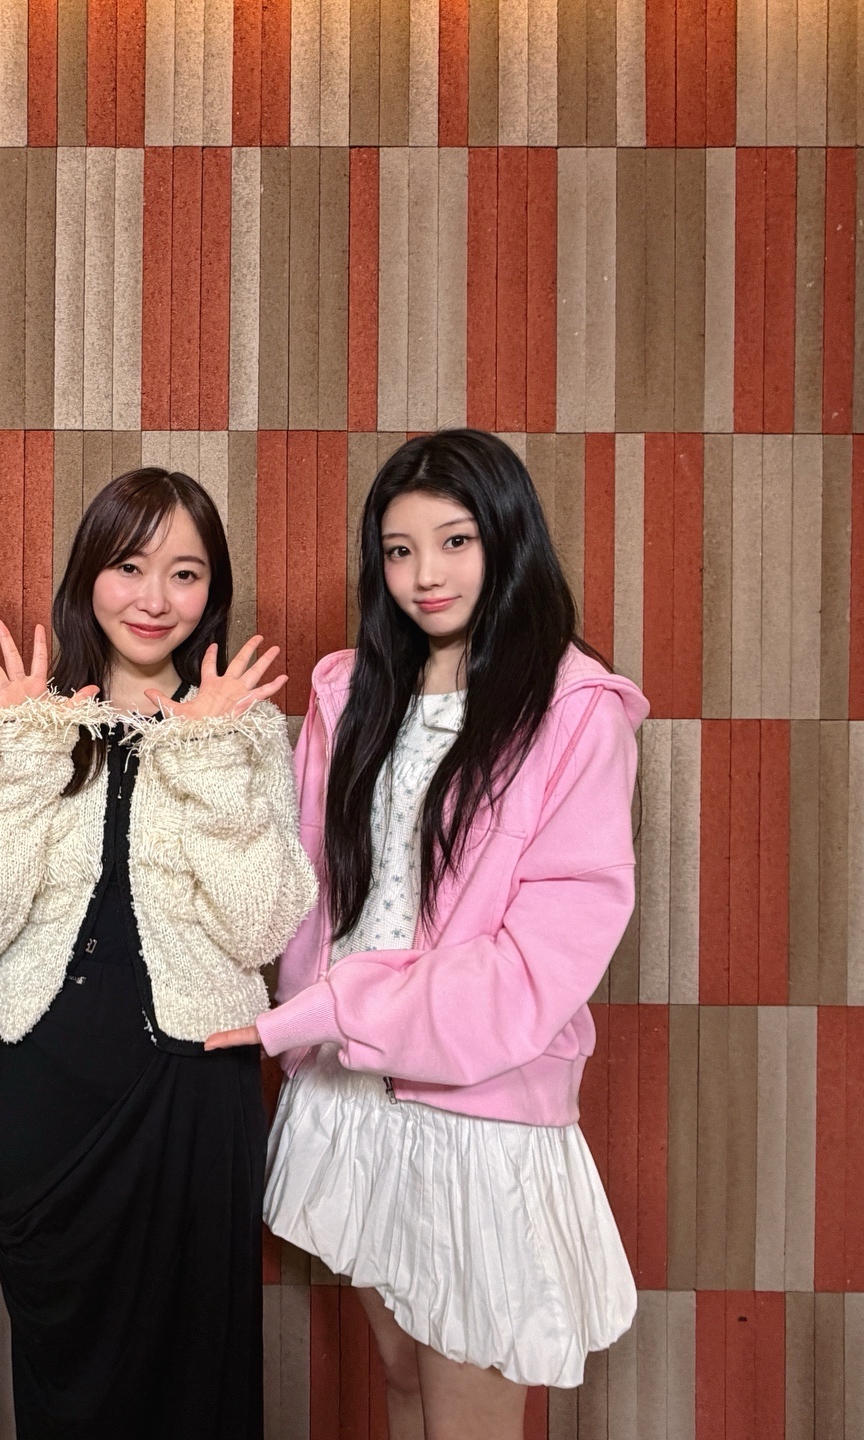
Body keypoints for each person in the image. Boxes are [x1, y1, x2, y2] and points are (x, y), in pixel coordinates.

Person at [208, 430, 646, 1440]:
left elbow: (537, 963)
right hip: (347, 1091)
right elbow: (310, 886)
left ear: (508, 538)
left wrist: (324, 1011)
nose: (424, 576)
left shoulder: (574, 712)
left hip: (478, 1107)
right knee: (402, 1377)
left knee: (466, 1411)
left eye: (454, 542)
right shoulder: (350, 690)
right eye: (399, 551)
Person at [0, 468, 316, 1440]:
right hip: (52, 1090)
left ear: (212, 591)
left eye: (185, 573)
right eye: (130, 566)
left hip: (196, 1085)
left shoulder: (247, 729)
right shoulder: (16, 720)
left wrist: (210, 759)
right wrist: (24, 754)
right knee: (66, 1387)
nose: (154, 598)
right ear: (88, 574)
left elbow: (264, 929)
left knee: (195, 1385)